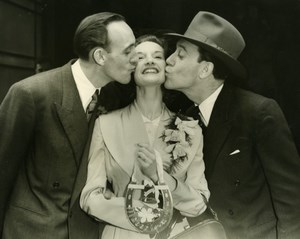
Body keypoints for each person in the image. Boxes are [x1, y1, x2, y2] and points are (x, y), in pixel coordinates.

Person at [164, 11, 300, 239]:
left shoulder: (258, 113)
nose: (168, 60)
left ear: (205, 70)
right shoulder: (185, 119)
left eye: (181, 54)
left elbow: (293, 202)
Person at [0, 12, 137, 239]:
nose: (136, 58)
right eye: (128, 51)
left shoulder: (115, 99)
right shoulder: (32, 94)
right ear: (100, 56)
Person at [80, 34, 210, 239]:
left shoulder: (191, 129)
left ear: (166, 67)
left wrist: (161, 177)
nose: (149, 61)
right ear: (131, 69)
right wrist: (144, 215)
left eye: (157, 56)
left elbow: (199, 203)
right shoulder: (106, 124)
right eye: (140, 57)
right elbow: (90, 197)